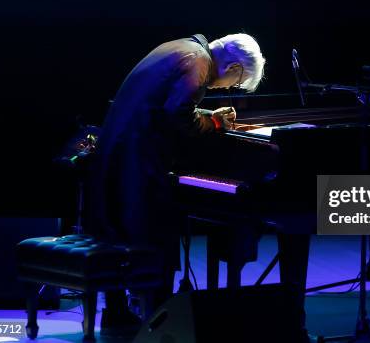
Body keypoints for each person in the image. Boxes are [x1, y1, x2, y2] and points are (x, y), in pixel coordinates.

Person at [87, 33, 265, 336]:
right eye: (235, 82)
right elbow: (177, 115)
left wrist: (209, 116)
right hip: (137, 163)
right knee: (158, 243)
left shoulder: (179, 48)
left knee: (121, 237)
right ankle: (160, 323)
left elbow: (164, 105)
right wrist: (216, 123)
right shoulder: (199, 64)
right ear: (233, 67)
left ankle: (116, 314)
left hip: (115, 152)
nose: (227, 88)